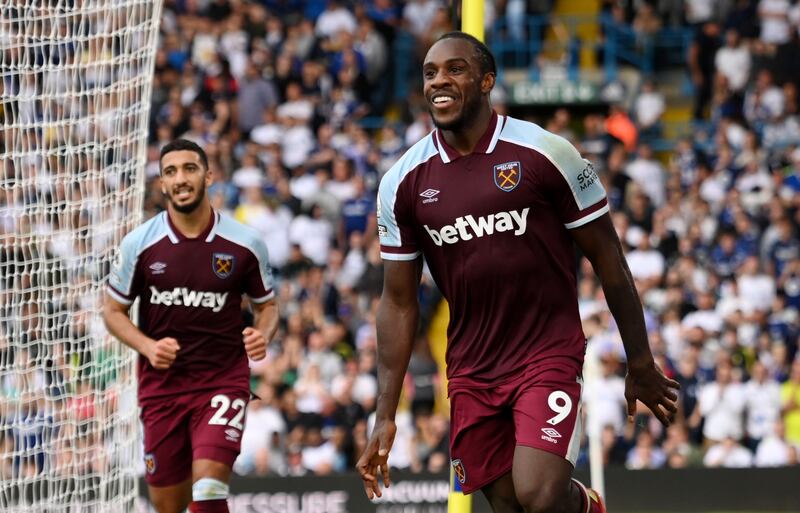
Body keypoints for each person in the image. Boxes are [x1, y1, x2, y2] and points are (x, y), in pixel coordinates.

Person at [356, 32, 680, 513]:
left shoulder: (544, 152)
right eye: (429, 73)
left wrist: (640, 360)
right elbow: (398, 302)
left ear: (487, 80)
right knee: (509, 505)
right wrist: (385, 414)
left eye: (455, 69)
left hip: (547, 352)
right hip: (472, 368)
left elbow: (609, 258)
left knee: (539, 495)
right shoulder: (401, 182)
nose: (439, 81)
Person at [103, 139, 279, 513]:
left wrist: (263, 333)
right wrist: (148, 347)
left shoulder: (245, 243)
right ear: (162, 184)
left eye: (189, 168)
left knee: (210, 488)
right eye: (170, 172)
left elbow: (268, 307)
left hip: (222, 380)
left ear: (208, 175)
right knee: (169, 506)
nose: (180, 178)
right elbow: (113, 311)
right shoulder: (139, 244)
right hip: (162, 387)